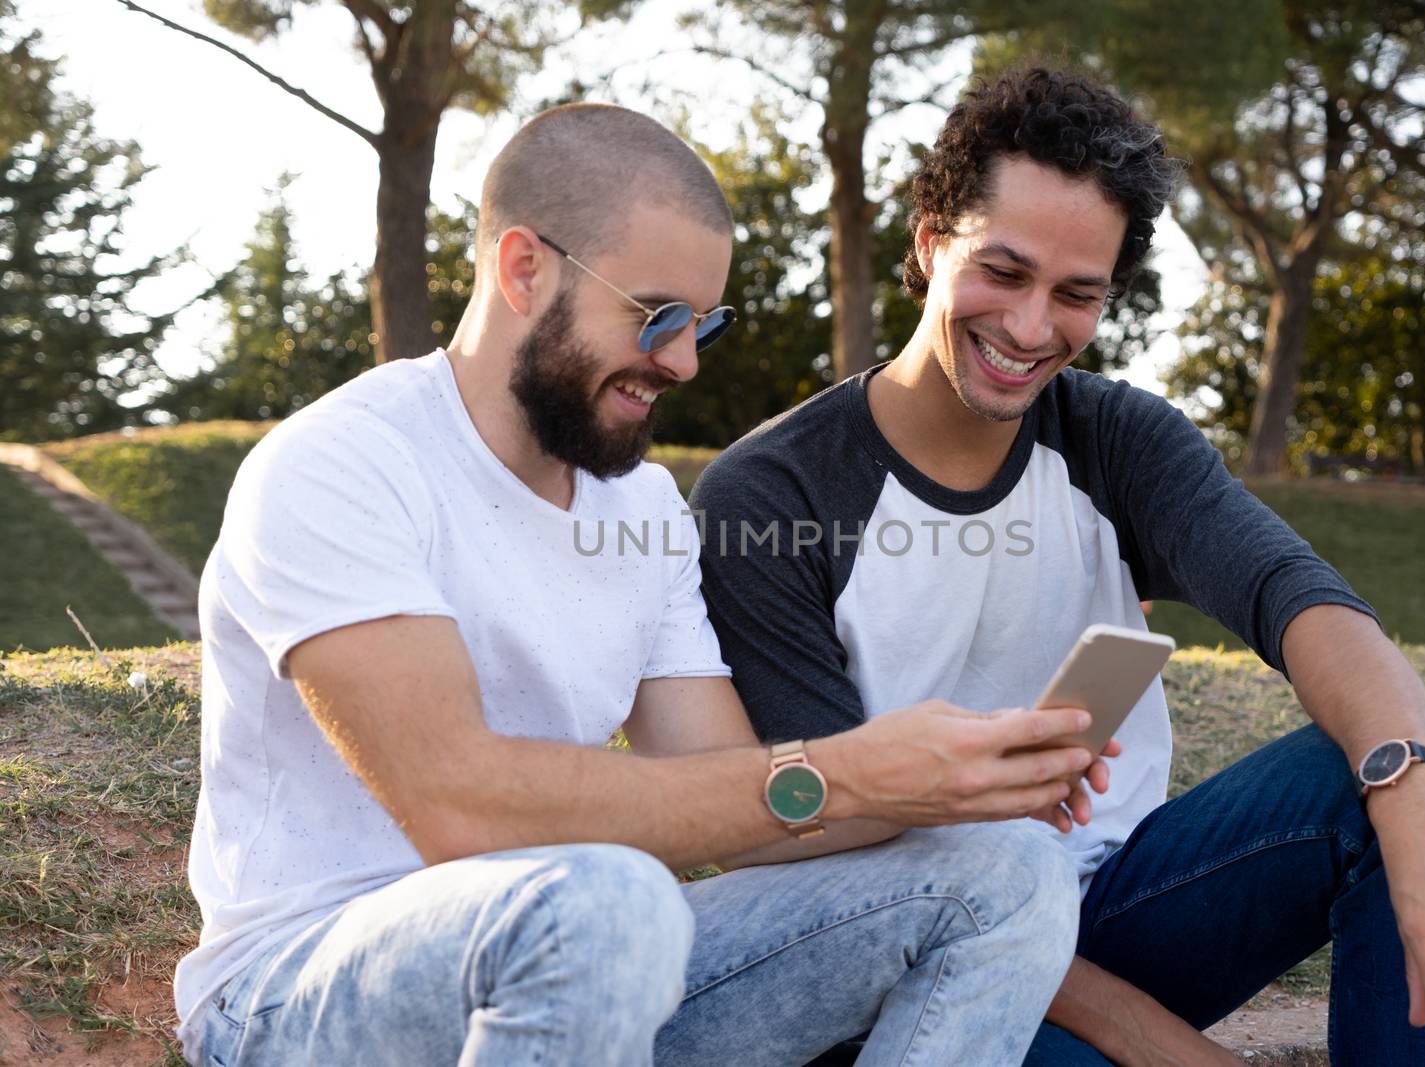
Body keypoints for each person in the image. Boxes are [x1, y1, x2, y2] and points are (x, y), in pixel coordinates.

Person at [173, 102, 1113, 1067]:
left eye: (703, 322)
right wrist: (852, 771)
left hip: (590, 958)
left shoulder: (646, 507)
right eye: (657, 315)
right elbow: (457, 805)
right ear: (524, 267)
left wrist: (947, 781)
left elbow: (746, 816)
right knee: (608, 899)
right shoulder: (342, 464)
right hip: (296, 994)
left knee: (1013, 867)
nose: (684, 360)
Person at [690, 68, 1425, 1067]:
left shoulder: (1115, 440)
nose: (1028, 326)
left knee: (1416, 762)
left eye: (1075, 294)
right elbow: (837, 856)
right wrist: (1153, 1038)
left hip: (1110, 909)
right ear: (928, 242)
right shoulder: (771, 497)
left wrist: (1411, 786)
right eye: (1000, 272)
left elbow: (1297, 597)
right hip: (904, 963)